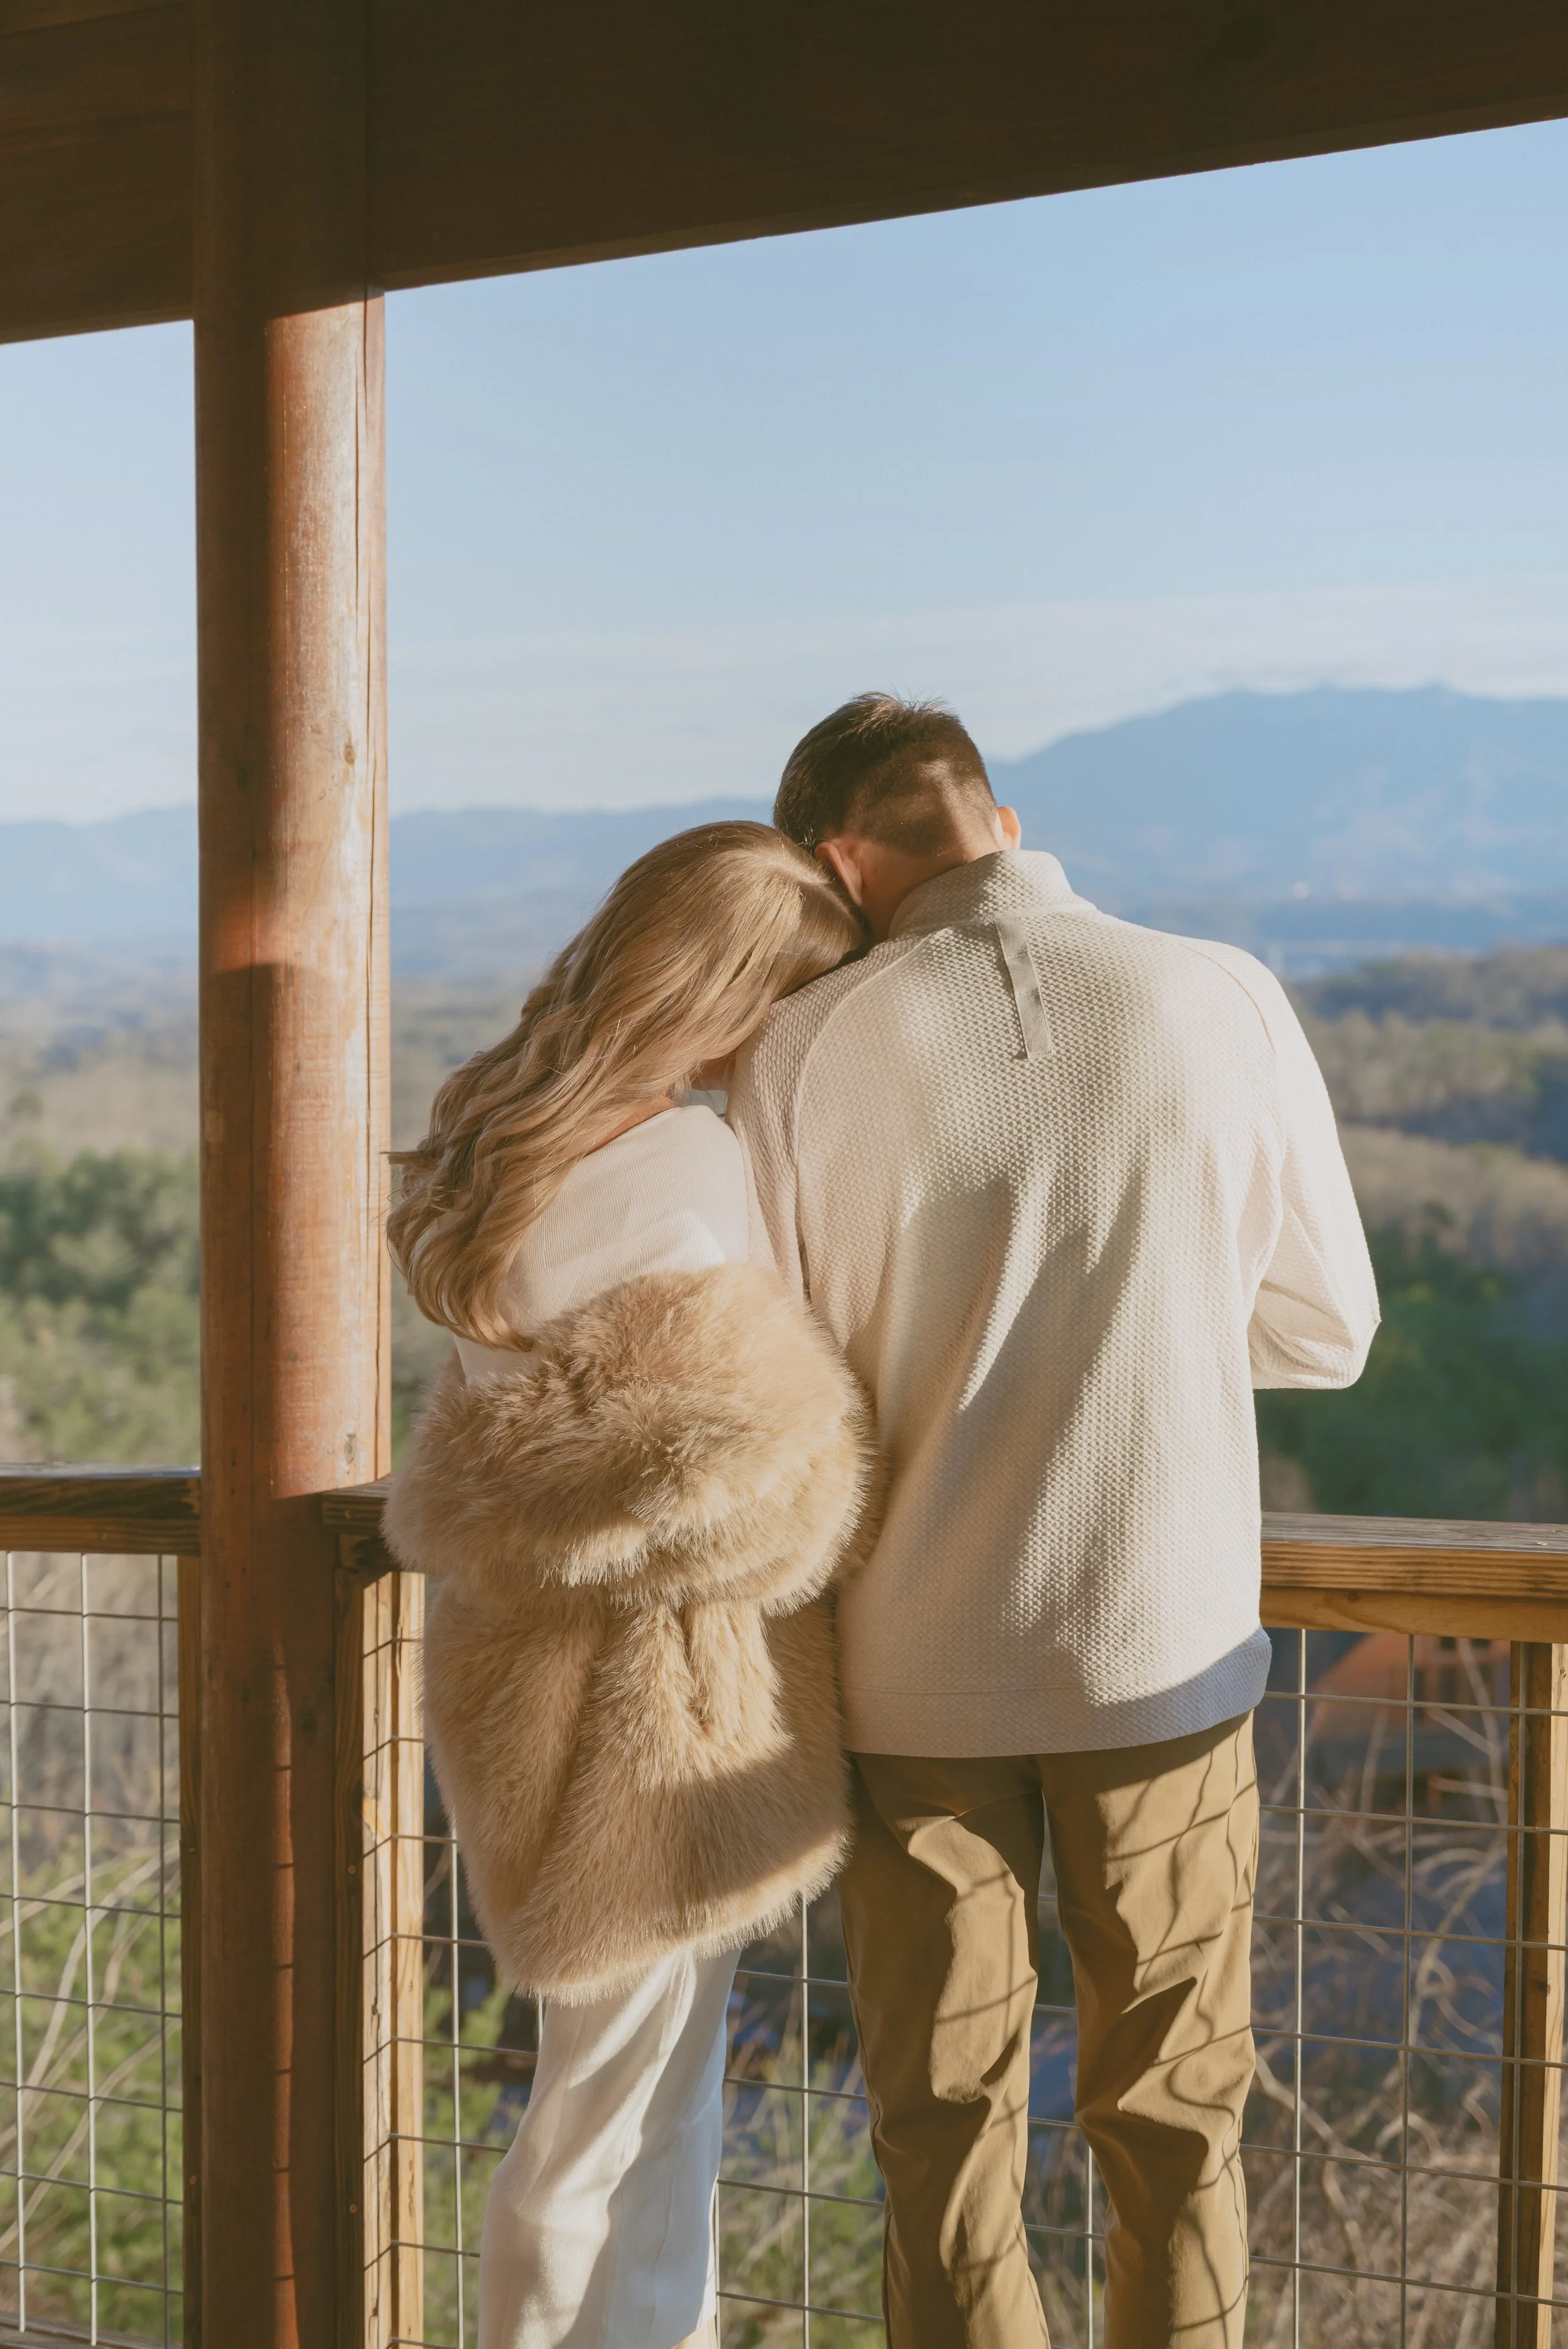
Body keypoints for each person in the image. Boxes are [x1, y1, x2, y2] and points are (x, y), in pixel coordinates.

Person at [727, 694, 1379, 2349]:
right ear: (997, 824)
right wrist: (1136, 1329)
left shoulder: (804, 1051)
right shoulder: (1218, 991)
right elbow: (1326, 1331)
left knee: (940, 2132)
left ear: (836, 860)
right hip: (1157, 1657)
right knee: (1173, 2123)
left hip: (910, 1679)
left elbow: (781, 1374)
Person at [384, 821, 880, 2349]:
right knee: (626, 2113)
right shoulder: (688, 1154)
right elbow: (743, 1483)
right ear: (730, 997)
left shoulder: (490, 1127)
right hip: (657, 1689)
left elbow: (556, 1439)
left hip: (517, 1660)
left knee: (602, 2094)